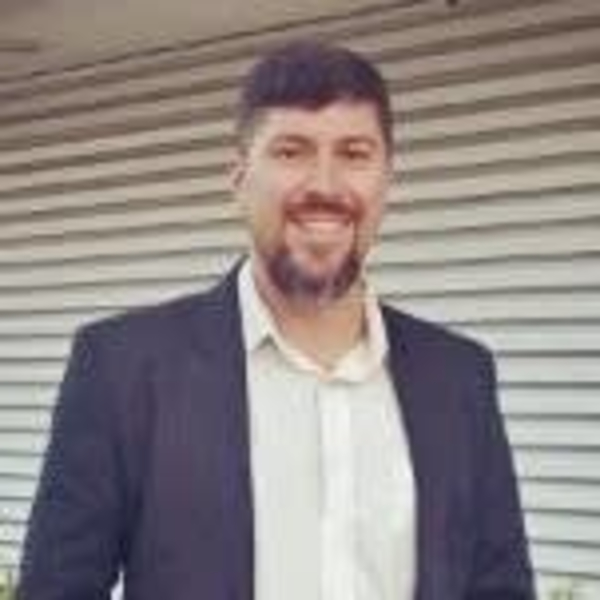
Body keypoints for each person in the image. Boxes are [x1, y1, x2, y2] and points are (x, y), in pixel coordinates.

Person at [17, 40, 536, 600]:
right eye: (291, 152)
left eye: (355, 154)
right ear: (239, 179)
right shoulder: (124, 370)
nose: (325, 185)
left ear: (387, 180)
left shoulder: (458, 376)